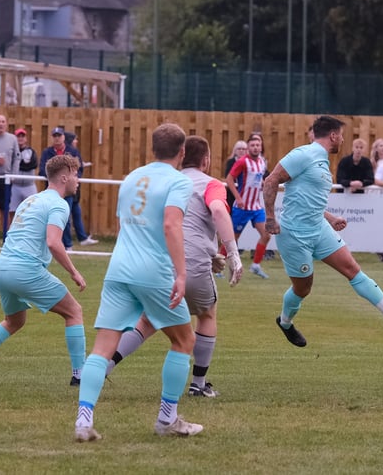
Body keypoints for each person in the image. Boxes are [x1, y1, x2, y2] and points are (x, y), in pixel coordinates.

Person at [74, 123, 203, 442]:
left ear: (152, 149)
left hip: (119, 268)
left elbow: (123, 225)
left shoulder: (132, 177)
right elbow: (172, 224)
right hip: (153, 270)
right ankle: (167, 419)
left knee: (102, 348)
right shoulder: (178, 181)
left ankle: (83, 421)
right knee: (184, 341)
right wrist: (181, 273)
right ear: (182, 152)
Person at [263, 115, 383, 347]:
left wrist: (330, 217)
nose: (343, 141)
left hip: (318, 228)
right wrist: (270, 218)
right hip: (295, 235)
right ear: (333, 135)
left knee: (352, 268)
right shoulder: (303, 155)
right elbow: (270, 181)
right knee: (303, 288)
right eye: (342, 136)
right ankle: (285, 322)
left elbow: (309, 199)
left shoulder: (322, 159)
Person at [105, 135, 243, 398]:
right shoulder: (212, 184)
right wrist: (233, 253)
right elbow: (218, 211)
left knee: (147, 320)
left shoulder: (166, 182)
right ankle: (198, 384)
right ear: (206, 160)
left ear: (181, 156)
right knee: (207, 314)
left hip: (156, 263)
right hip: (190, 266)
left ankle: (104, 365)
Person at [0, 155, 86, 386]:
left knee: (13, 322)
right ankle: (80, 375)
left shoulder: (31, 200)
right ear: (64, 177)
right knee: (74, 312)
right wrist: (74, 272)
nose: (77, 180)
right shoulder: (58, 204)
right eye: (75, 174)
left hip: (2, 268)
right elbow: (53, 242)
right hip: (24, 269)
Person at [39, 127, 96, 250]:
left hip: (68, 192)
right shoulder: (47, 152)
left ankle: (69, 244)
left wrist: (72, 180)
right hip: (52, 190)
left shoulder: (72, 151)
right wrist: (55, 178)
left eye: (59, 135)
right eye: (55, 136)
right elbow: (42, 170)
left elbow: (79, 169)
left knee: (68, 215)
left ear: (64, 137)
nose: (57, 138)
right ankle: (64, 242)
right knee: (58, 216)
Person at [226, 133, 271, 279]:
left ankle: (255, 265)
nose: (256, 147)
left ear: (261, 147)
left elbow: (257, 179)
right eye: (252, 145)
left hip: (256, 207)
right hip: (242, 207)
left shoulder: (262, 162)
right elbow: (229, 179)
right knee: (233, 239)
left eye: (258, 145)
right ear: (248, 148)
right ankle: (221, 265)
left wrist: (263, 184)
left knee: (266, 234)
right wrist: (238, 198)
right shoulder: (242, 162)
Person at [64, 131, 99, 247]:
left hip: (75, 190)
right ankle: (68, 244)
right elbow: (78, 168)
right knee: (66, 217)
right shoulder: (71, 151)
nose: (76, 141)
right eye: (75, 139)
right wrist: (73, 177)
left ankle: (82, 238)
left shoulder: (74, 151)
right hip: (67, 189)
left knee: (77, 212)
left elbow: (79, 168)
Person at [8, 128, 38, 226]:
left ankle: (30, 233)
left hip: (29, 185)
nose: (20, 138)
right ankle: (11, 234)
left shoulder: (31, 151)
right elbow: (8, 165)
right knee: (12, 211)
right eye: (18, 136)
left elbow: (32, 164)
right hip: (15, 186)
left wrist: (17, 163)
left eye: (22, 136)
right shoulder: (11, 152)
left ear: (26, 139)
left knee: (33, 211)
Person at [224, 140, 248, 209]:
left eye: (243, 149)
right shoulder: (230, 161)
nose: (241, 151)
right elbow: (227, 176)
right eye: (239, 149)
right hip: (232, 191)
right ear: (235, 150)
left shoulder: (249, 162)